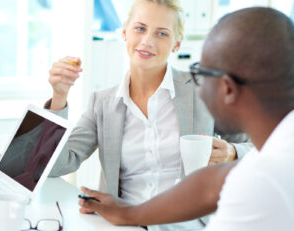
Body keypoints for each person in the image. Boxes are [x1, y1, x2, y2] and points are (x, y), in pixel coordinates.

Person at [78, 7, 294, 230]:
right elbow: (210, 185)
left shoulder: (264, 182)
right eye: (140, 28)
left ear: (227, 88)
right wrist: (129, 214)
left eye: (201, 72)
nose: (197, 90)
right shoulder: (280, 150)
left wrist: (231, 151)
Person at [47, 0, 252, 230]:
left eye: (162, 34)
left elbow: (259, 146)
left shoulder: (203, 90)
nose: (148, 41)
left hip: (191, 225)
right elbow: (55, 166)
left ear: (176, 44)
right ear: (124, 32)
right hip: (126, 224)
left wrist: (232, 152)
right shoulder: (101, 103)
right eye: (140, 28)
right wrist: (59, 96)